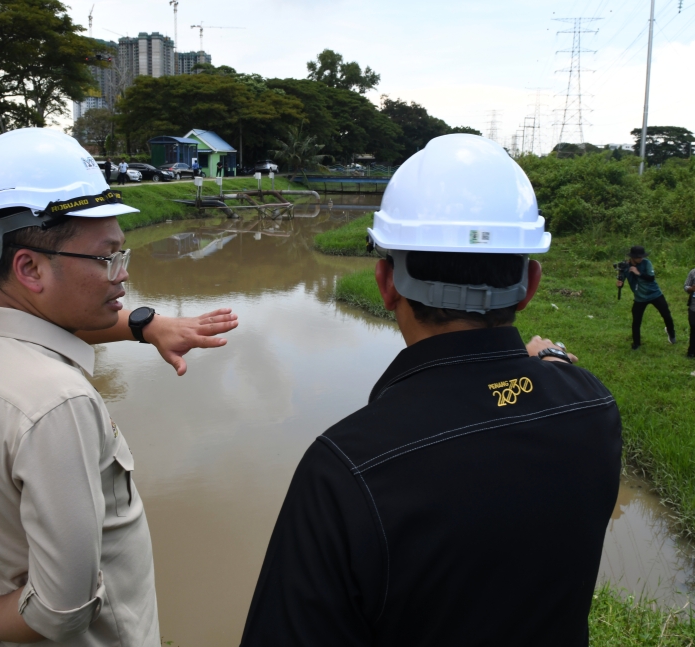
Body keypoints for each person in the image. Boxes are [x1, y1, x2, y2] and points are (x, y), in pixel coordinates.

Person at [240, 134, 622, 646]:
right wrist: (545, 364)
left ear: (385, 282)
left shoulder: (346, 468)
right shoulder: (593, 408)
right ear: (530, 284)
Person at [0, 128, 238, 647]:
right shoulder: (56, 404)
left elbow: (51, 320)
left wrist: (145, 325)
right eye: (106, 258)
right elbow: (62, 609)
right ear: (29, 267)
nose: (121, 275)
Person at [617, 245, 676, 349]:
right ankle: (636, 343)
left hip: (655, 294)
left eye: (642, 257)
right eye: (638, 257)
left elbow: (651, 278)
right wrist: (619, 283)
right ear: (632, 257)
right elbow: (622, 281)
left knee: (666, 315)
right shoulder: (625, 267)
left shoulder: (646, 263)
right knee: (636, 321)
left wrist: (638, 272)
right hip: (640, 298)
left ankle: (671, 333)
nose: (641, 259)